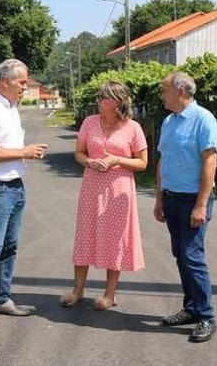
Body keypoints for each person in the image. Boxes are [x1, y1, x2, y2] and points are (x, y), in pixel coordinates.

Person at [0, 58, 49, 331]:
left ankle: (0, 298)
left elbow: (6, 147)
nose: (26, 87)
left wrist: (24, 151)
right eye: (22, 82)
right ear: (5, 81)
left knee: (9, 247)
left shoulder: (10, 108)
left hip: (14, 186)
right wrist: (24, 152)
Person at [62, 81, 148, 310]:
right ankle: (77, 290)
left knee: (114, 240)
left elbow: (143, 163)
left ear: (118, 101)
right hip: (92, 188)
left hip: (119, 190)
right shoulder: (89, 123)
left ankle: (109, 294)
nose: (99, 100)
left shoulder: (133, 128)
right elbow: (79, 153)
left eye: (105, 97)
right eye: (99, 97)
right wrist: (89, 161)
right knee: (85, 236)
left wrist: (117, 160)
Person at [154, 71, 217, 343]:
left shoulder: (203, 119)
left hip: (193, 200)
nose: (162, 95)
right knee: (180, 255)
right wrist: (159, 198)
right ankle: (191, 309)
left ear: (180, 92)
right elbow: (162, 161)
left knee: (191, 256)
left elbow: (210, 162)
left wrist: (200, 205)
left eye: (165, 90)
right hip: (170, 198)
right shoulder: (169, 121)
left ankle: (206, 316)